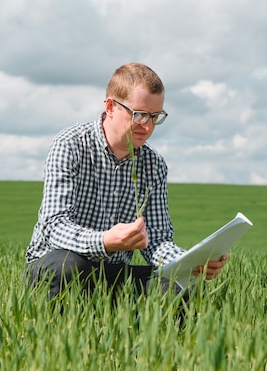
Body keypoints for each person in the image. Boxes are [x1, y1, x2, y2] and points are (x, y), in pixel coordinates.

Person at [25, 63, 227, 302]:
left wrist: (189, 263)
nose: (148, 126)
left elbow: (157, 240)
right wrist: (104, 241)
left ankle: (154, 337)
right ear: (110, 106)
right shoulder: (70, 145)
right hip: (58, 266)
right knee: (69, 268)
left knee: (182, 286)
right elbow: (54, 226)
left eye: (155, 117)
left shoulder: (153, 165)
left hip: (113, 273)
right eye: (139, 115)